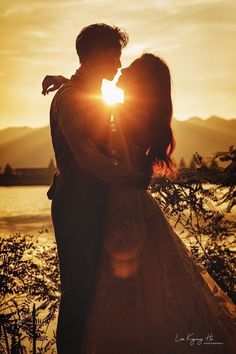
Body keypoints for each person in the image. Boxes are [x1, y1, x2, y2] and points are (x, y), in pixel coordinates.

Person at [44, 53, 236, 353]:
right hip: (126, 199)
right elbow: (96, 106)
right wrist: (67, 83)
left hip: (122, 202)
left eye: (130, 68)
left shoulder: (129, 112)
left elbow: (102, 129)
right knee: (142, 278)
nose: (122, 69)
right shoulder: (138, 110)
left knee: (124, 281)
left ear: (141, 81)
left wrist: (68, 86)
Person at [45, 23, 146, 354]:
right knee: (78, 289)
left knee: (94, 287)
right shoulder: (72, 99)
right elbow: (87, 158)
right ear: (96, 54)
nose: (118, 64)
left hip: (92, 202)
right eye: (114, 55)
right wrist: (129, 175)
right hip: (76, 205)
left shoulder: (82, 93)